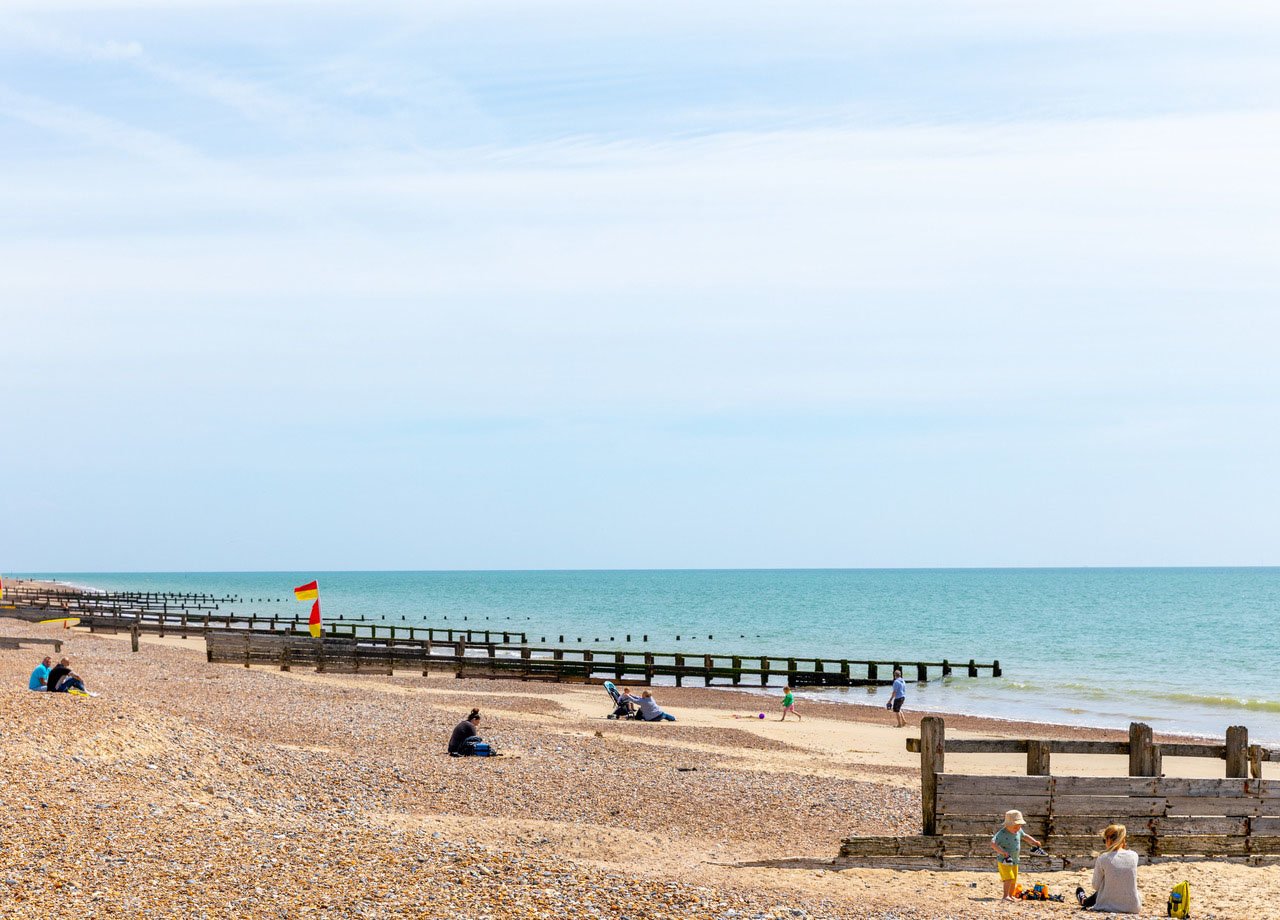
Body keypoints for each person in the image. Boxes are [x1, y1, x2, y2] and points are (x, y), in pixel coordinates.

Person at [1075, 824, 1142, 913]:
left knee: (1104, 886)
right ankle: (1085, 900)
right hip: (1133, 907)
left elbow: (1096, 886)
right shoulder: (1134, 855)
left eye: (1104, 840)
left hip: (1107, 906)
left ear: (1108, 840)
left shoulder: (1103, 858)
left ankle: (1084, 901)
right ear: (1123, 840)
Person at [990, 809, 1043, 901]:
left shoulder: (1019, 831)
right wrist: (1001, 852)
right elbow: (993, 843)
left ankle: (1011, 895)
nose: (1017, 829)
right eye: (1015, 827)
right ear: (1007, 825)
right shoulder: (1002, 834)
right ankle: (1005, 896)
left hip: (1015, 859)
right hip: (1005, 860)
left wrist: (1034, 842)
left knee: (1013, 879)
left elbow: (1025, 836)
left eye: (1019, 826)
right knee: (1008, 878)